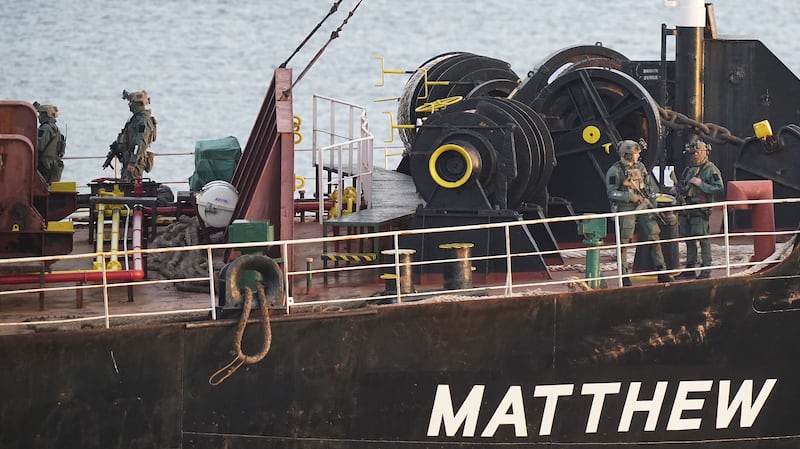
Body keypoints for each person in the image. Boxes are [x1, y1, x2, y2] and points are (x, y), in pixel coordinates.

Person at [606, 139, 673, 285]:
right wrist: (630, 196)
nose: (638, 156)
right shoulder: (615, 171)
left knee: (654, 236)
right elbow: (612, 193)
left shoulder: (640, 167)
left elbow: (648, 187)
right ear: (628, 155)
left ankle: (662, 271)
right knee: (623, 242)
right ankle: (624, 275)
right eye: (635, 154)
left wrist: (653, 206)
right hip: (626, 208)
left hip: (643, 206)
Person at [674, 139, 724, 280]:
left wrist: (702, 184)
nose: (695, 155)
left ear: (705, 152)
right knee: (689, 239)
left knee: (703, 239)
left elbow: (719, 187)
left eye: (698, 152)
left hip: (700, 209)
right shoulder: (689, 168)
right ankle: (690, 268)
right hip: (687, 208)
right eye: (693, 152)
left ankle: (706, 268)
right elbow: (684, 185)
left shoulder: (710, 169)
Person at [111, 90, 157, 182]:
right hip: (129, 160)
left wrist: (132, 162)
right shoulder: (135, 119)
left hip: (135, 163)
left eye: (131, 103)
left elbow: (140, 143)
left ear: (138, 104)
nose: (129, 105)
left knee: (130, 187)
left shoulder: (142, 121)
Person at [33, 102, 66, 183]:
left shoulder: (46, 128)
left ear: (45, 115)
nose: (39, 117)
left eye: (41, 114)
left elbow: (39, 146)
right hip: (53, 164)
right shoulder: (55, 128)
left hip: (44, 165)